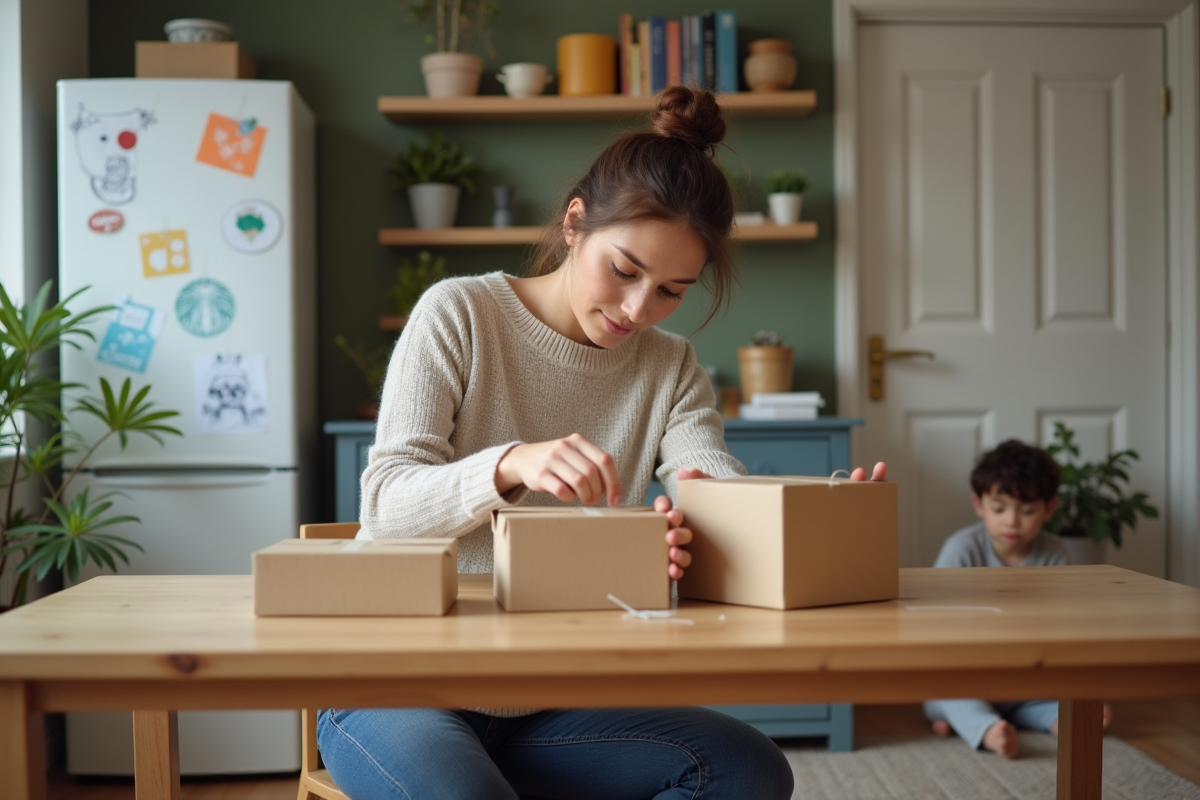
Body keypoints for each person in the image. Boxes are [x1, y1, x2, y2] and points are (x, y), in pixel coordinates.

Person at [317, 85, 884, 800]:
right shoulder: (459, 314)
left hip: (543, 704)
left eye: (672, 291)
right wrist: (509, 464)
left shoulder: (669, 365)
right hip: (396, 682)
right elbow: (385, 505)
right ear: (575, 223)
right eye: (624, 271)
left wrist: (799, 516)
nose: (637, 310)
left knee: (747, 770)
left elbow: (708, 479)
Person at [924, 439, 1108, 758]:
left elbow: (1062, 626)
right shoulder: (960, 548)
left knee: (1063, 701)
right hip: (969, 674)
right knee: (941, 693)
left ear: (1048, 509)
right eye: (999, 509)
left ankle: (1045, 720)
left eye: (1026, 511)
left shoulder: (1055, 554)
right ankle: (987, 728)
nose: (1011, 521)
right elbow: (937, 623)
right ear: (979, 504)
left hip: (1027, 677)